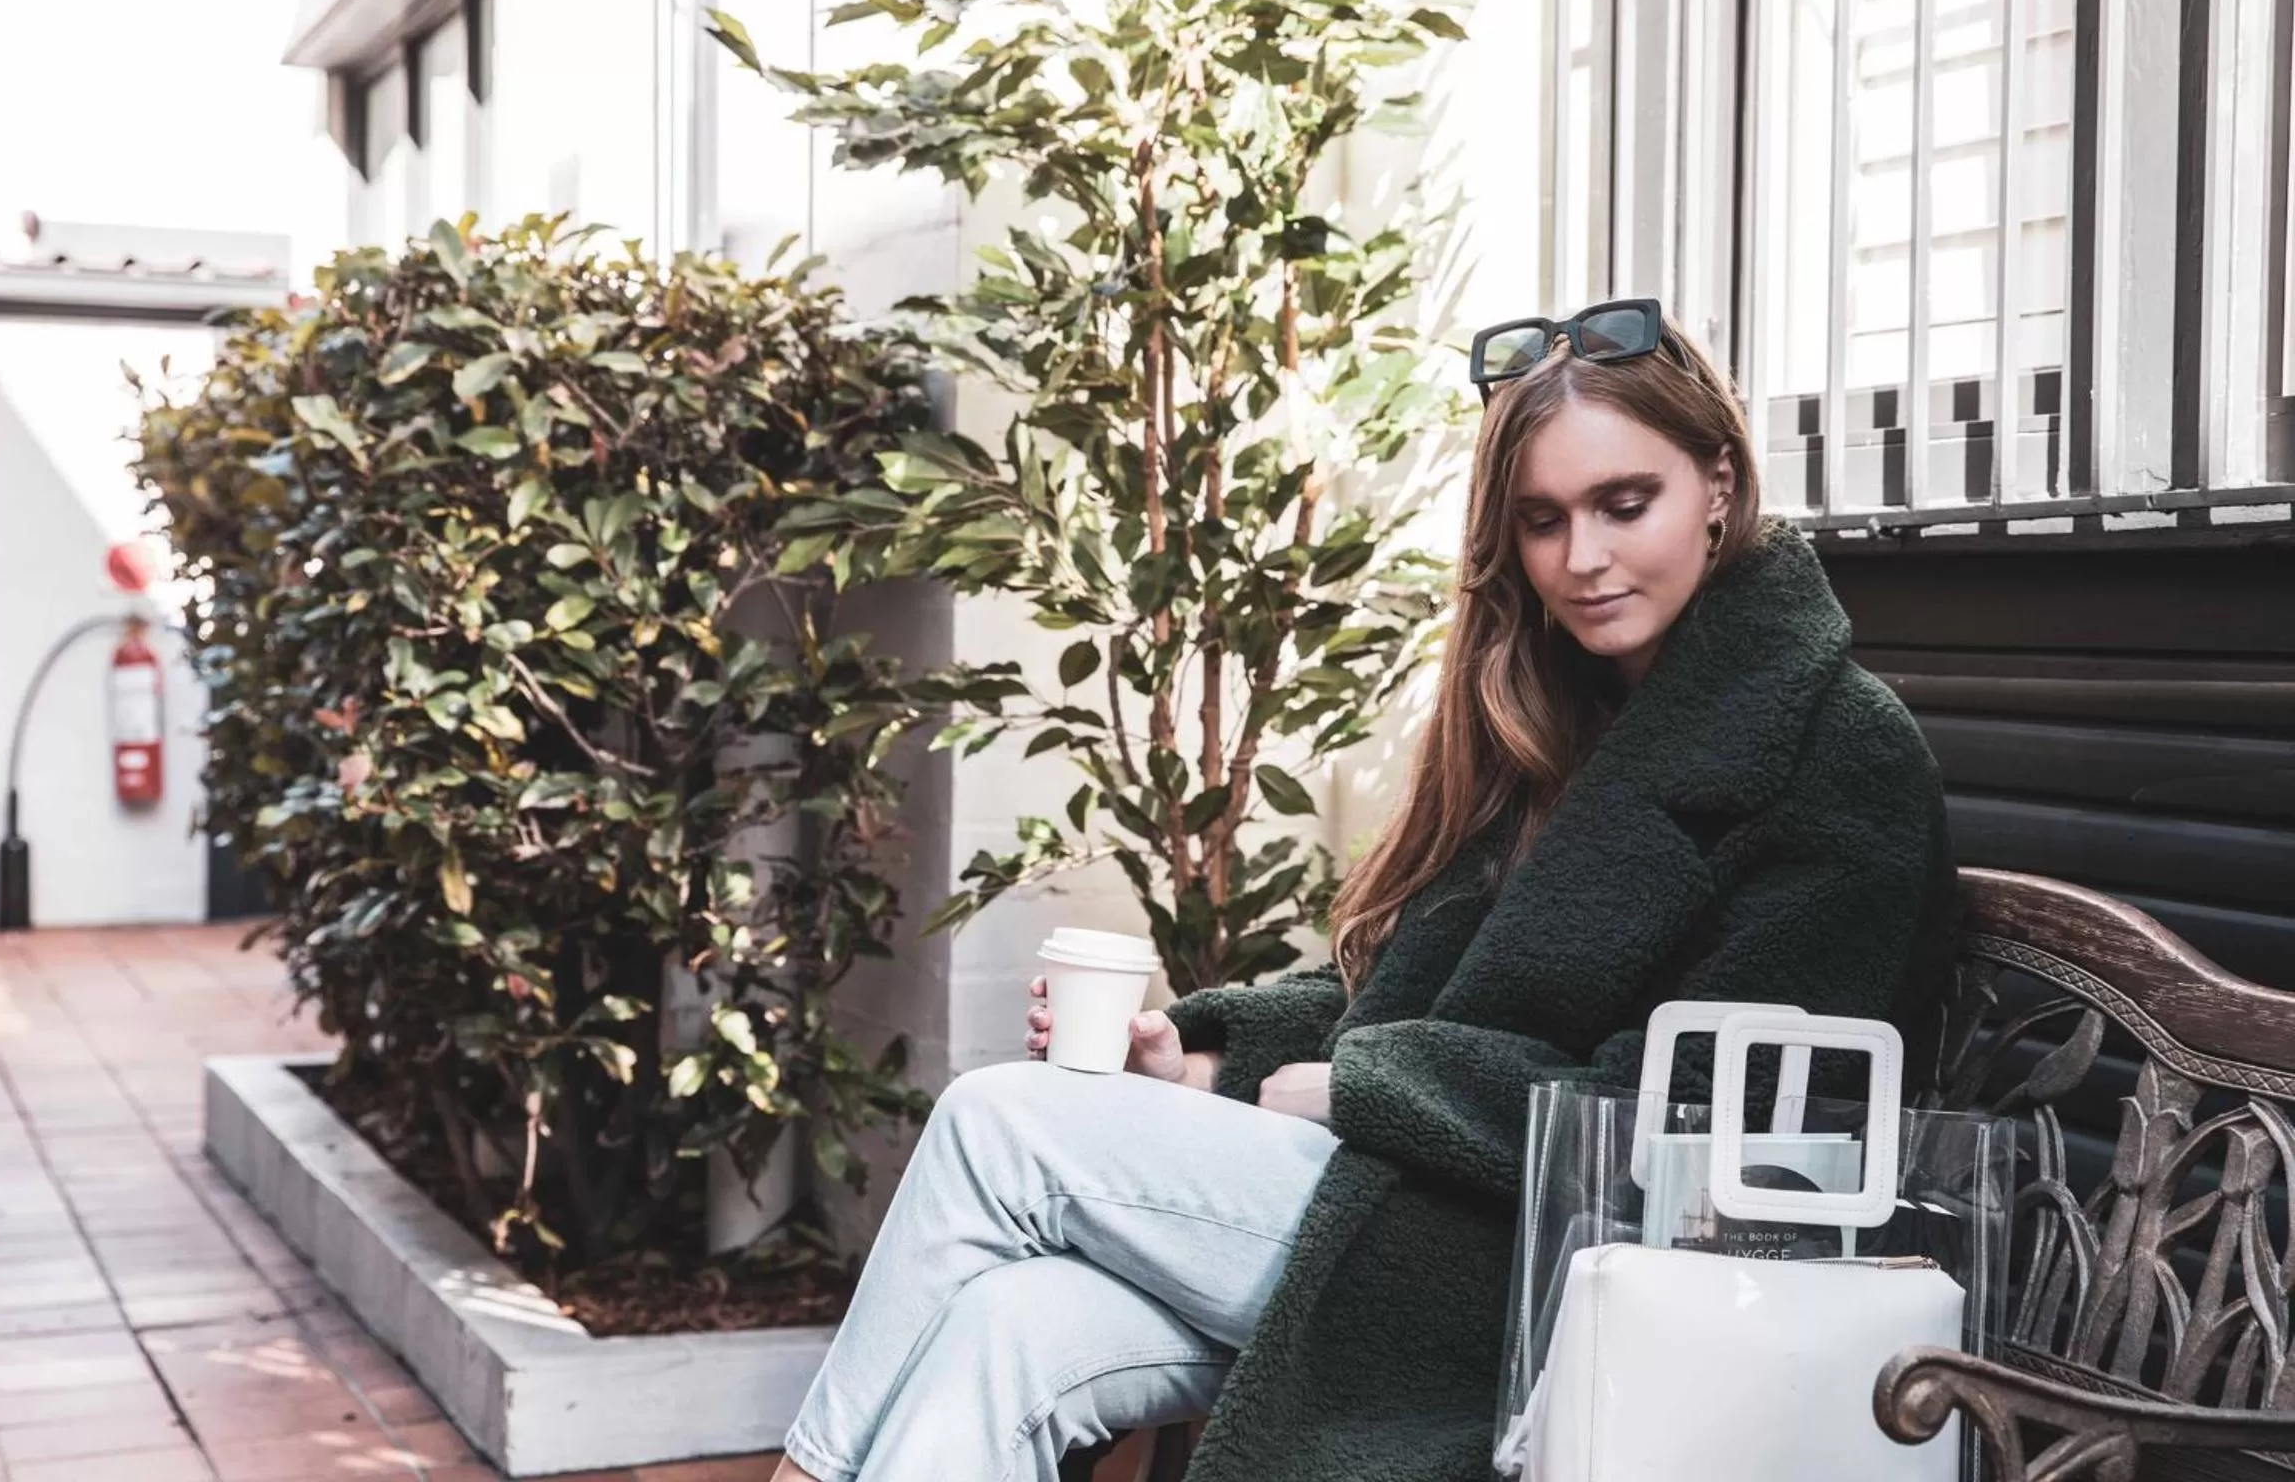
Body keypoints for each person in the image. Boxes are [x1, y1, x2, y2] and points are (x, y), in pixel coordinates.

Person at [770, 300, 1954, 1482]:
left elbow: (1724, 1125)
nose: (1582, 560)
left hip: (1561, 1267)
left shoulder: (1837, 751)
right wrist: (1203, 1063)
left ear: (1723, 488)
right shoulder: (1562, 716)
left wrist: (1368, 1088)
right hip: (1412, 1212)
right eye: (1542, 521)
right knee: (1007, 1329)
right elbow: (1400, 984)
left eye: (1624, 504)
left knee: (998, 1127)